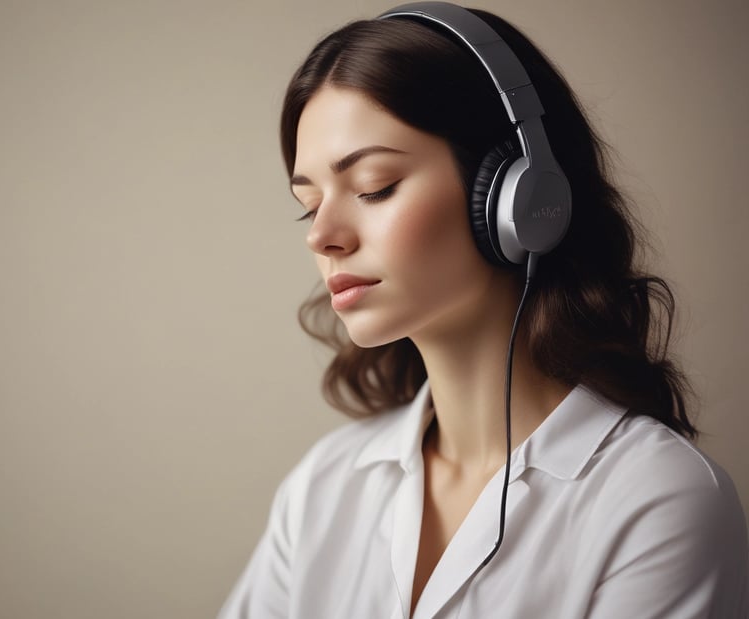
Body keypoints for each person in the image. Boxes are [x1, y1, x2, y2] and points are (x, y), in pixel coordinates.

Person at [218, 3, 748, 617]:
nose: (323, 236)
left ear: (519, 197)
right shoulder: (322, 487)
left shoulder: (657, 501)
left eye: (374, 187)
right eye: (309, 206)